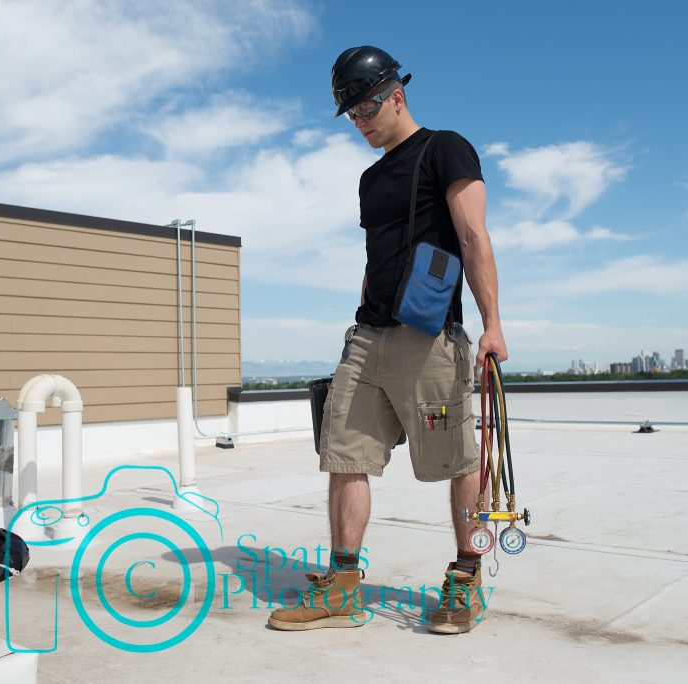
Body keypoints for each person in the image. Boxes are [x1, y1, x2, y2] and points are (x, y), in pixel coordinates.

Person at [268, 46, 507, 634]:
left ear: (396, 93)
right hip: (367, 338)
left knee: (459, 463)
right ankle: (344, 586)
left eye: (367, 107)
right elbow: (377, 258)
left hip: (429, 339)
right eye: (351, 114)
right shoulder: (370, 177)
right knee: (343, 456)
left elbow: (473, 237)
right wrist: (357, 322)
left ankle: (467, 580)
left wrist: (492, 324)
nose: (361, 122)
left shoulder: (446, 148)